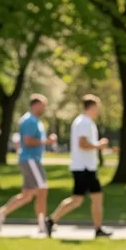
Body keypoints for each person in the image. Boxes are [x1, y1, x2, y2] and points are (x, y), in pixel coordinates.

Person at [45, 95, 111, 240]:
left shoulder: (85, 122)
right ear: (91, 107)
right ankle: (97, 228)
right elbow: (82, 144)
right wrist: (99, 146)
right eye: (97, 107)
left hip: (85, 167)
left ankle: (51, 220)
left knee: (78, 199)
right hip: (84, 167)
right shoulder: (83, 123)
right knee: (92, 197)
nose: (98, 110)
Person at [0, 94, 56, 237]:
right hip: (30, 160)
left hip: (31, 160)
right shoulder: (29, 121)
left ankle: (0, 213)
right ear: (35, 105)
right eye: (43, 105)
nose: (44, 108)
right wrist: (46, 142)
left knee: (27, 195)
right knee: (42, 189)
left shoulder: (35, 121)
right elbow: (27, 141)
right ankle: (42, 223)